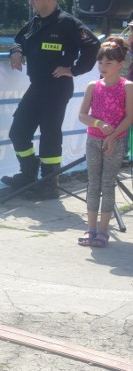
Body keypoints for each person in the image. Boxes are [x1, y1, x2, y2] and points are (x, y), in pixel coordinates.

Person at [1, 0, 100, 199]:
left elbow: (93, 45)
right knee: (18, 132)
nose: (31, 1)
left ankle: (49, 184)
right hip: (37, 86)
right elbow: (19, 39)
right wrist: (16, 51)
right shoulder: (36, 21)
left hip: (57, 87)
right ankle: (28, 175)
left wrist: (73, 70)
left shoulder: (68, 23)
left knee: (50, 135)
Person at [76, 37, 133, 248]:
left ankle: (103, 230)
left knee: (107, 184)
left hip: (115, 142)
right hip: (93, 140)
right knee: (93, 183)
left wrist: (112, 135)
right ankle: (90, 228)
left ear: (120, 64)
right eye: (100, 62)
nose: (103, 67)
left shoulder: (127, 87)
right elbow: (83, 115)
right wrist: (98, 124)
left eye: (109, 63)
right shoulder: (93, 86)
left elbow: (129, 117)